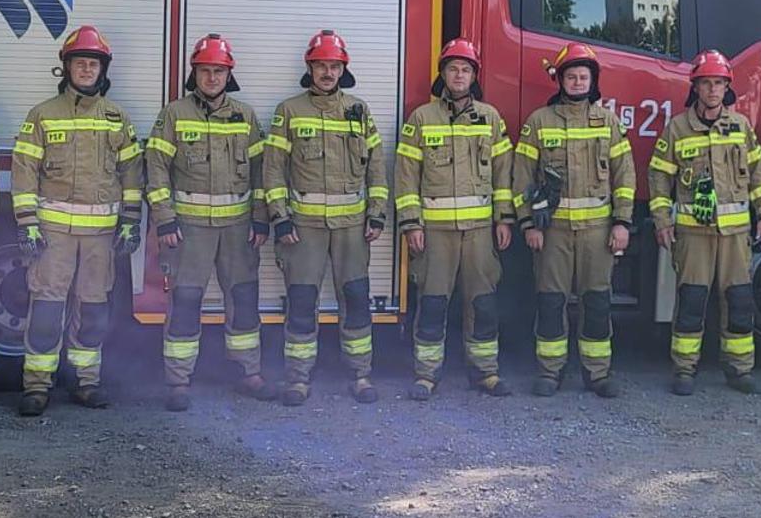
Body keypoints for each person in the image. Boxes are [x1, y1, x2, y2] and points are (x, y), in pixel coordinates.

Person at [10, 25, 144, 416]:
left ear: (102, 71)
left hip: (101, 236)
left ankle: (87, 381)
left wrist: (130, 222)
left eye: (93, 64)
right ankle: (36, 385)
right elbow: (23, 173)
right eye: (79, 63)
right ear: (66, 68)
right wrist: (27, 223)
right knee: (47, 309)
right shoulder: (42, 115)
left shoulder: (117, 118)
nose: (86, 69)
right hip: (52, 235)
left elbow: (131, 175)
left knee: (94, 310)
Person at [145, 34, 275, 412]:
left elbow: (260, 172)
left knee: (244, 300)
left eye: (219, 71)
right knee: (185, 302)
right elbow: (156, 169)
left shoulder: (245, 116)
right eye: (205, 71)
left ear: (228, 75)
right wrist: (165, 220)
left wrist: (260, 219)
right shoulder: (174, 114)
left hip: (238, 229)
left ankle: (249, 373)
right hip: (189, 230)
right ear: (195, 74)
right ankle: (178, 380)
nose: (212, 78)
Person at [264, 30, 389, 405]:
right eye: (321, 65)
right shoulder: (289, 111)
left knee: (356, 299)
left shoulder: (359, 110)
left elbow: (377, 168)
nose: (327, 72)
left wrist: (377, 213)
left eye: (334, 66)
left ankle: (361, 375)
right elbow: (273, 170)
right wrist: (280, 217)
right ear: (310, 68)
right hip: (303, 229)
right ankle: (298, 379)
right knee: (302, 300)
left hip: (352, 227)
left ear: (343, 70)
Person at [393, 38, 516, 400]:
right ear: (442, 74)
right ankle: (427, 375)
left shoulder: (490, 118)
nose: (459, 75)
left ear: (474, 76)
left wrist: (504, 219)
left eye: (465, 69)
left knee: (483, 303)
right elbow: (405, 176)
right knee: (432, 303)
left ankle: (486, 373)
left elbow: (503, 174)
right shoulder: (421, 118)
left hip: (479, 232)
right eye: (452, 68)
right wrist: (411, 224)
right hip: (435, 233)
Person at [647, 49, 761, 395]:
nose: (713, 91)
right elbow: (659, 178)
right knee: (691, 300)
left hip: (735, 234)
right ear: (696, 88)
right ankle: (685, 370)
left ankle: (739, 370)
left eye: (719, 84)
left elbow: (759, 175)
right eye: (706, 84)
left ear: (726, 88)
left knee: (739, 300)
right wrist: (661, 220)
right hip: (693, 233)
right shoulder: (678, 128)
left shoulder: (741, 127)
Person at [511, 43, 633, 398]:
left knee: (597, 301)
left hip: (597, 232)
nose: (577, 82)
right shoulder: (539, 122)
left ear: (592, 81)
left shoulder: (608, 122)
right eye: (571, 76)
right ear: (560, 81)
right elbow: (523, 177)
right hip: (553, 233)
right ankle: (550, 372)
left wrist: (622, 223)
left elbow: (625, 176)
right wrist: (528, 224)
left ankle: (598, 374)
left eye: (583, 77)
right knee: (550, 301)